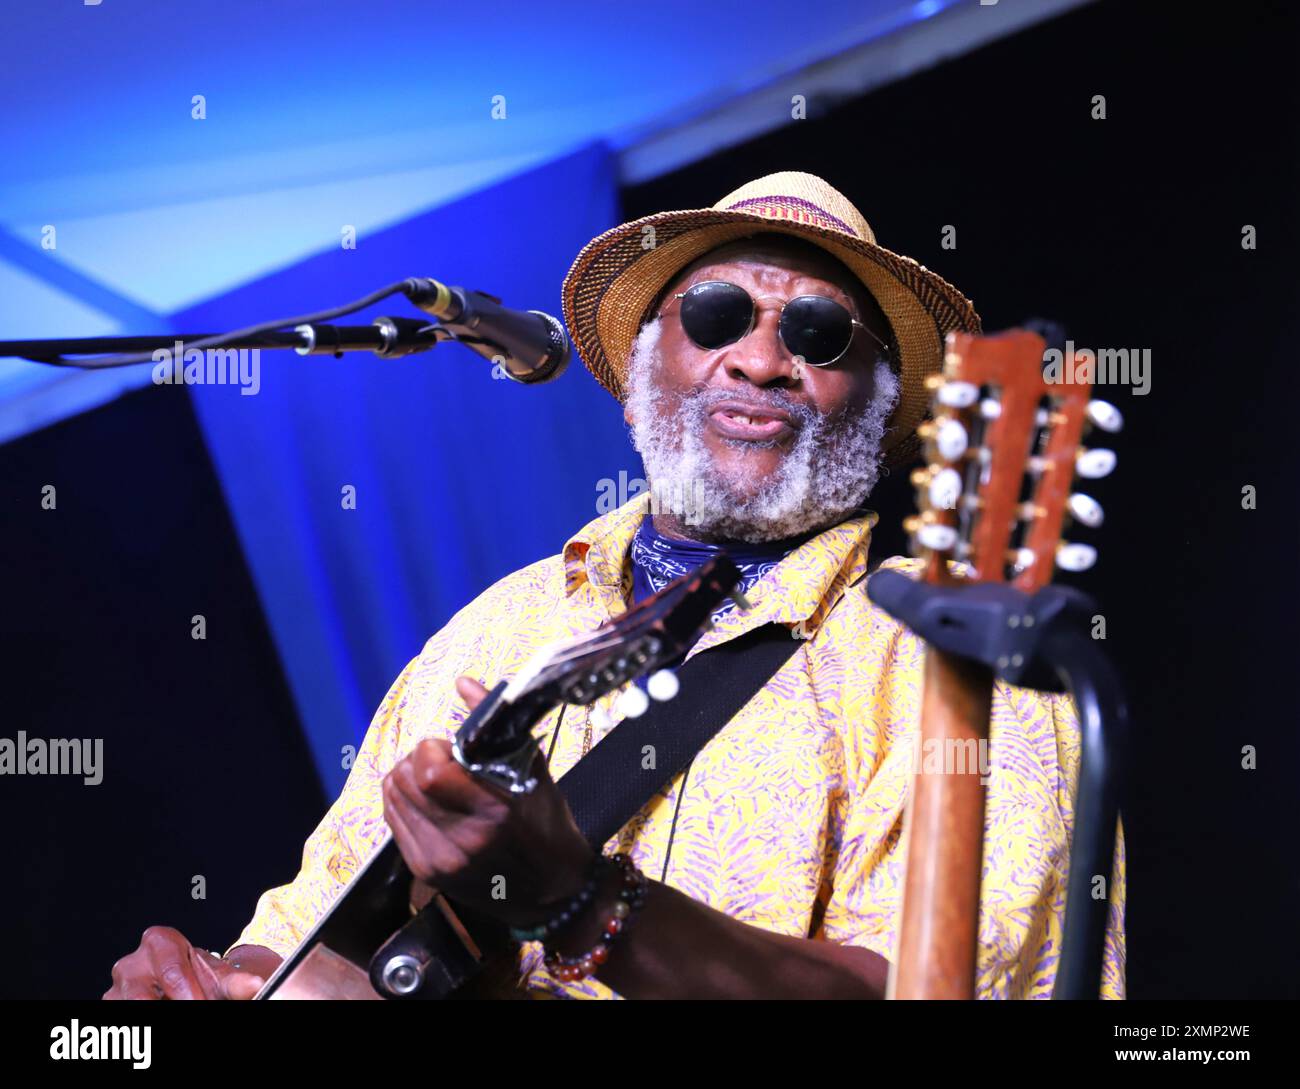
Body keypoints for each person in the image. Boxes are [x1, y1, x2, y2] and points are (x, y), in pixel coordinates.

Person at [104, 172, 1125, 1000]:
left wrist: (579, 897)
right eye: (717, 314)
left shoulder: (956, 661)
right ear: (641, 375)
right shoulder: (490, 632)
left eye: (818, 335)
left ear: (877, 406)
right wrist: (220, 981)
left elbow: (934, 991)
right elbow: (318, 937)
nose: (762, 358)